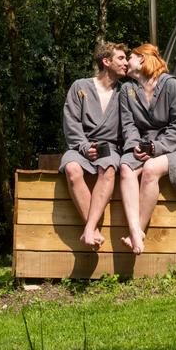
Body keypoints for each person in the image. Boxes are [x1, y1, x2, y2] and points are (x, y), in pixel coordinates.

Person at [117, 42, 176, 254]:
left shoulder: (171, 85)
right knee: (125, 168)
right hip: (143, 145)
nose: (126, 63)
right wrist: (134, 145)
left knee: (151, 168)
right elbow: (128, 125)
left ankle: (136, 233)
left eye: (130, 58)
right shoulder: (127, 90)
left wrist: (156, 147)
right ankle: (135, 230)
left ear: (141, 58)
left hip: (175, 146)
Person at [60, 42, 127, 247]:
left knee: (107, 169)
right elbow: (71, 122)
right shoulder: (80, 87)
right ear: (106, 62)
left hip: (110, 148)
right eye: (121, 58)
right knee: (72, 169)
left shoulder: (125, 92)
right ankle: (94, 229)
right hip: (81, 146)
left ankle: (88, 229)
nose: (126, 63)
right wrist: (83, 147)